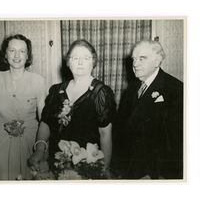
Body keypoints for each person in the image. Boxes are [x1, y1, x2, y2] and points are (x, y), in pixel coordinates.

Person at [28, 39, 116, 178]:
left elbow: (105, 134)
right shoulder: (56, 91)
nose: (80, 62)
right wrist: (39, 149)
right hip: (57, 162)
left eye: (86, 58)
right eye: (75, 58)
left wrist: (104, 168)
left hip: (88, 165)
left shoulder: (101, 92)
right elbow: (45, 123)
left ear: (93, 61)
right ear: (68, 62)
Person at [112, 40, 183, 179]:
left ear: (157, 61)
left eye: (142, 59)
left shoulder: (175, 90)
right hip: (130, 170)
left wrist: (158, 175)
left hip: (154, 173)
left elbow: (176, 142)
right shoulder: (132, 89)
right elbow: (121, 130)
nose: (135, 64)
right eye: (134, 59)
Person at [0, 34, 46, 180]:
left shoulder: (38, 81)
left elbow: (45, 119)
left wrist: (41, 149)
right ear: (5, 54)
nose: (17, 55)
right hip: (2, 144)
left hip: (30, 143)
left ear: (28, 56)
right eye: (12, 50)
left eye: (22, 51)